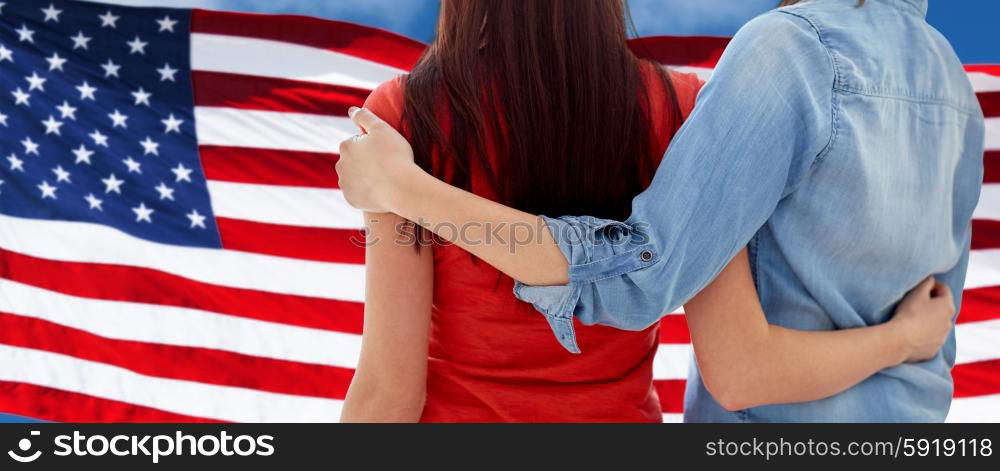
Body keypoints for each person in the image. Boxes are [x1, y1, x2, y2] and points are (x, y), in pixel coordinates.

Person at [338, 0, 969, 423]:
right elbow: (737, 350)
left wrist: (400, 186)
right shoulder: (680, 107)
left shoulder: (406, 120)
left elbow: (390, 393)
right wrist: (905, 339)